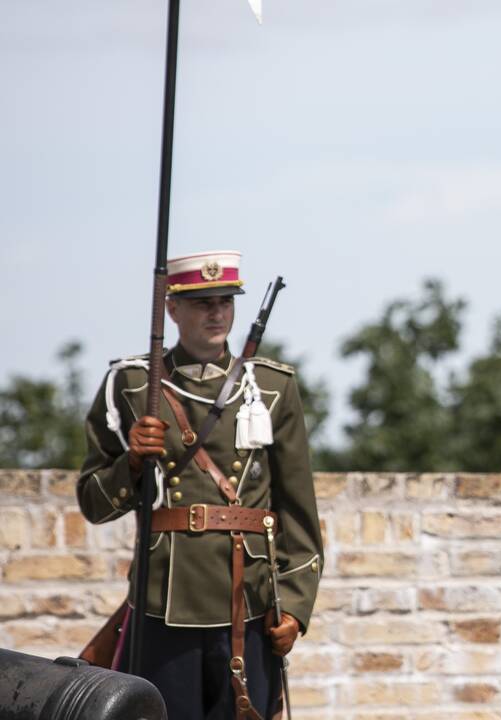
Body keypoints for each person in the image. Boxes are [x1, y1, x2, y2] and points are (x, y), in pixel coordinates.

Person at [77, 250, 324, 720]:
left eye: (225, 301)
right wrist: (131, 462)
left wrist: (295, 606)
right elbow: (93, 503)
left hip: (248, 601)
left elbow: (298, 510)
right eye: (201, 302)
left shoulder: (272, 387)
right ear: (172, 309)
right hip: (162, 601)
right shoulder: (131, 384)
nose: (216, 312)